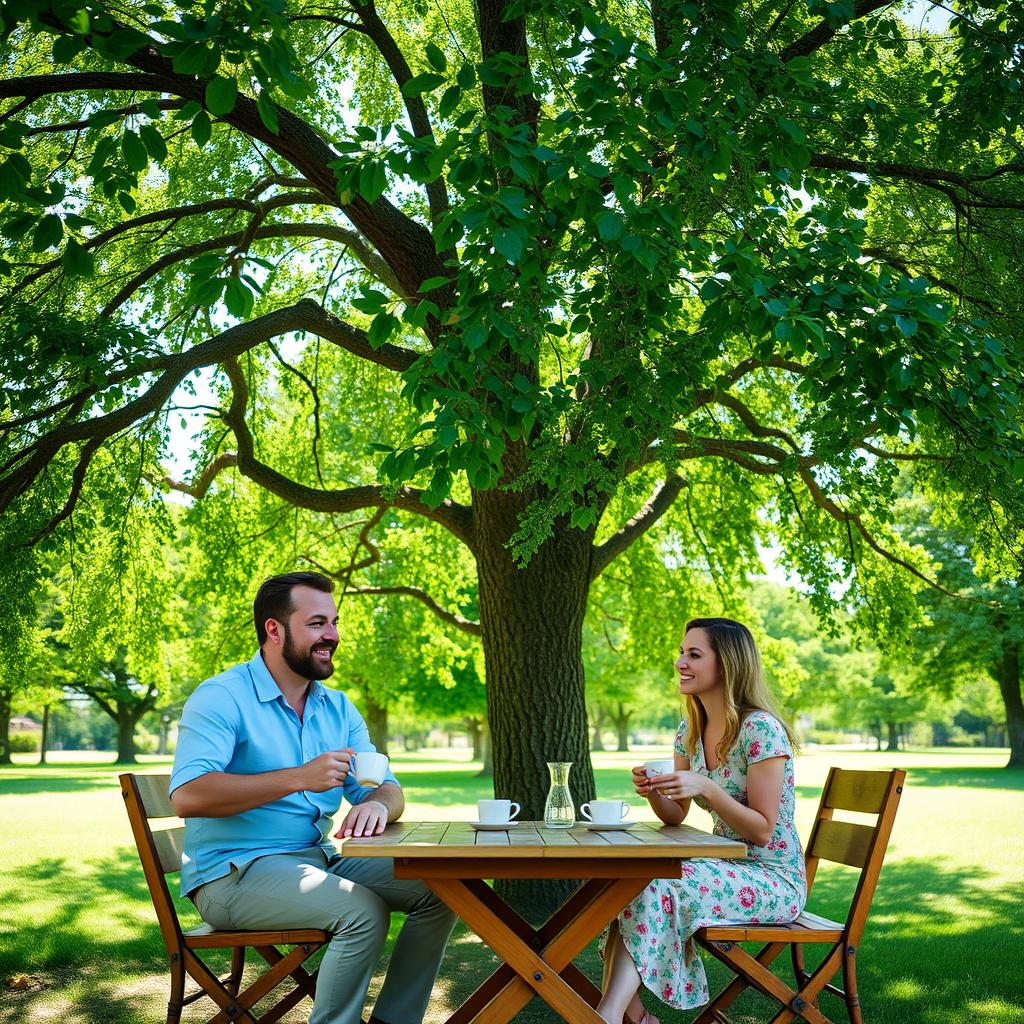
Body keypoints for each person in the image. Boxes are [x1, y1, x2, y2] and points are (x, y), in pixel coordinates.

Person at [170, 571, 455, 1024]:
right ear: (274, 629)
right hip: (232, 875)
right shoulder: (222, 696)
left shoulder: (338, 707)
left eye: (335, 622)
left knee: (443, 886)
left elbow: (387, 786)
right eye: (318, 623)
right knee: (361, 909)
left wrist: (378, 803)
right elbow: (187, 795)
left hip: (316, 859)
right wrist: (298, 777)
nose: (333, 636)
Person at [598, 617, 806, 1024]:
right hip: (726, 867)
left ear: (726, 665)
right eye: (681, 652)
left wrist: (707, 788)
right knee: (629, 876)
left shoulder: (759, 729)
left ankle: (606, 1015)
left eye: (694, 654)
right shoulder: (690, 731)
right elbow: (675, 817)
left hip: (772, 878)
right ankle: (634, 1017)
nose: (680, 662)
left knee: (656, 882)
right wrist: (657, 790)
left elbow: (762, 831)